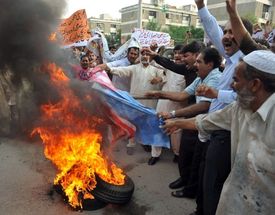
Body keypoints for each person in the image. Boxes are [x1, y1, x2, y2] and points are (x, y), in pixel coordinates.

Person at [162, 50, 275, 215]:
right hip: (235, 202)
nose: (231, 86)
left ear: (255, 84)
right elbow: (207, 121)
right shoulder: (239, 108)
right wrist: (177, 122)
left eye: (235, 80)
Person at [190, 0, 253, 214]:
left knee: (214, 186)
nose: (225, 35)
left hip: (227, 134)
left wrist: (217, 93)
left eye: (231, 31)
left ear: (244, 36)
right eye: (225, 31)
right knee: (205, 180)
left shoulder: (249, 64)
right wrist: (201, 7)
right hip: (212, 129)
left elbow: (244, 99)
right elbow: (212, 29)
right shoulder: (230, 56)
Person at [147, 47, 222, 197]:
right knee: (186, 155)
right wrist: (160, 93)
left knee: (197, 163)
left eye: (199, 62)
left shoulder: (215, 78)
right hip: (196, 122)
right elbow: (182, 95)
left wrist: (173, 115)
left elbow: (204, 106)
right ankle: (185, 180)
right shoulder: (200, 77)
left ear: (210, 64)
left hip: (205, 126)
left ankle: (190, 190)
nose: (195, 65)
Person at [107, 49, 166, 155]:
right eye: (143, 54)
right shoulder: (134, 68)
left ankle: (148, 144)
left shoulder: (156, 69)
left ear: (151, 57)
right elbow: (121, 70)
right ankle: (131, 144)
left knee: (149, 124)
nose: (145, 56)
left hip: (150, 103)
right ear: (140, 57)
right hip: (136, 102)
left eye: (147, 54)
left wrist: (159, 79)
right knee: (133, 123)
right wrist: (108, 68)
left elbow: (164, 76)